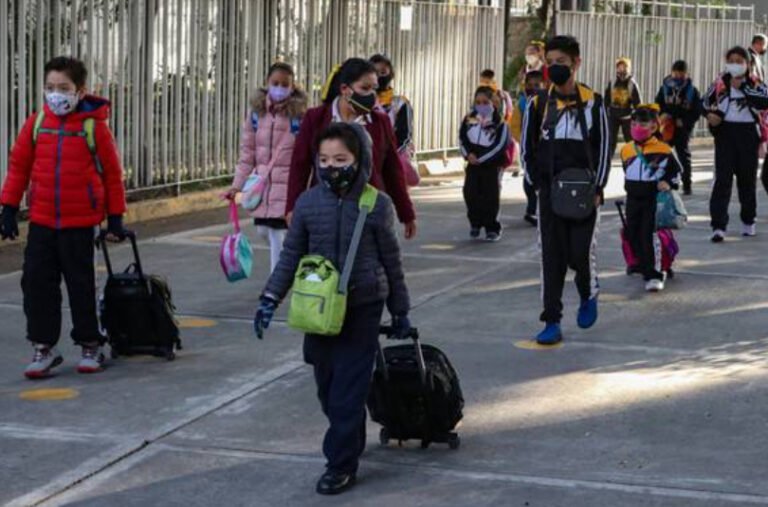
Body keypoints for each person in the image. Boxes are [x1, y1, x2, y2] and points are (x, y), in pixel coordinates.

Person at [254, 123, 411, 495]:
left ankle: (340, 464)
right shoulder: (308, 204)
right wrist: (269, 298)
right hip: (318, 310)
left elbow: (392, 262)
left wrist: (400, 310)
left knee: (347, 392)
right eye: (323, 160)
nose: (331, 167)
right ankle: (349, 438)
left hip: (362, 307)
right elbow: (291, 256)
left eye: (341, 159)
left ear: (360, 160)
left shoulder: (378, 205)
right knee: (328, 389)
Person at [0, 56, 127, 378]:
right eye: (50, 87)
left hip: (79, 224)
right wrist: (9, 208)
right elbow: (18, 167)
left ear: (80, 91)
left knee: (80, 285)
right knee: (37, 284)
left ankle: (90, 344)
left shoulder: (93, 127)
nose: (56, 94)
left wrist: (115, 218)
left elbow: (112, 174)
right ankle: (43, 347)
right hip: (42, 222)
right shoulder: (37, 123)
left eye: (64, 88)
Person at [521, 35, 610, 345]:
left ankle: (588, 291)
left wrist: (599, 186)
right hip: (549, 190)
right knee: (552, 257)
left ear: (577, 63)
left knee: (580, 253)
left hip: (585, 190)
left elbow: (604, 147)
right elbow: (527, 147)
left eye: (562, 62)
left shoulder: (594, 102)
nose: (555, 68)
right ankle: (552, 320)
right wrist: (534, 183)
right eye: (551, 63)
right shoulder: (539, 103)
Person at [286, 58, 417, 239]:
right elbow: (299, 166)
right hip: (324, 212)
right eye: (365, 88)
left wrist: (406, 213)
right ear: (345, 89)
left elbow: (392, 170)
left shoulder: (380, 123)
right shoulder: (316, 118)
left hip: (368, 212)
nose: (371, 94)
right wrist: (292, 207)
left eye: (374, 89)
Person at [224, 62, 308, 272]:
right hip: (262, 186)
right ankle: (292, 259)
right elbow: (247, 155)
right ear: (267, 83)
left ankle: (275, 284)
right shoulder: (255, 115)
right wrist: (237, 186)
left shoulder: (300, 116)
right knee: (263, 230)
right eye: (275, 83)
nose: (279, 88)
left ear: (293, 86)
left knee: (277, 234)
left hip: (288, 185)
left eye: (285, 84)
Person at [704, 46, 768, 242]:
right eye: (731, 60)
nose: (735, 64)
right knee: (722, 180)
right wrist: (710, 116)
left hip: (748, 134)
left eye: (739, 61)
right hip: (726, 134)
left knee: (747, 181)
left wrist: (744, 88)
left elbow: (764, 101)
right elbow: (703, 102)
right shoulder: (720, 82)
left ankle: (748, 221)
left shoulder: (755, 83)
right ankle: (718, 225)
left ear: (747, 64)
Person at [619, 104, 681, 292]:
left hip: (652, 199)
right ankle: (641, 264)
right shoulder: (626, 149)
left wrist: (667, 182)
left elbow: (677, 172)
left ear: (654, 126)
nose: (638, 126)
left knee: (650, 234)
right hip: (632, 198)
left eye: (643, 123)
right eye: (635, 122)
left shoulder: (664, 150)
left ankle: (655, 273)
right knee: (634, 233)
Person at [459, 86, 510, 242]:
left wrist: (482, 158)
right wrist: (468, 155)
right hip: (473, 163)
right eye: (478, 102)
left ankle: (492, 227)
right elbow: (462, 139)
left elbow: (500, 145)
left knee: (490, 196)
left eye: (485, 102)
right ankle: (475, 222)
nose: (481, 105)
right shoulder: (469, 119)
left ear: (493, 102)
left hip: (491, 165)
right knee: (470, 192)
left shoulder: (499, 122)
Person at [655, 60, 702, 195]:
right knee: (661, 155)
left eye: (681, 74)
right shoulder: (664, 88)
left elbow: (697, 111)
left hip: (682, 128)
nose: (678, 76)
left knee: (683, 156)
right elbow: (657, 104)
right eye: (675, 73)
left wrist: (685, 122)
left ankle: (687, 184)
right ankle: (662, 182)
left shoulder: (692, 91)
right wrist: (661, 115)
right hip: (666, 127)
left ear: (686, 74)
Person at [509, 70, 544, 226]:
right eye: (529, 85)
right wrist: (522, 139)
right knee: (529, 180)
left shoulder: (547, 101)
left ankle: (541, 210)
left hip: (546, 147)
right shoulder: (522, 103)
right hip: (530, 148)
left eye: (537, 85)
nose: (533, 88)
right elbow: (514, 125)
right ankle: (531, 210)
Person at [370, 54, 414, 163]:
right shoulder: (361, 101)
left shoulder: (400, 103)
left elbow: (404, 136)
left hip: (393, 160)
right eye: (374, 72)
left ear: (391, 74)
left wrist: (390, 158)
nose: (379, 76)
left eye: (383, 72)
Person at [606, 57, 642, 157]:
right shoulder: (612, 82)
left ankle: (633, 162)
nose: (621, 70)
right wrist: (605, 113)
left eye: (624, 67)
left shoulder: (632, 84)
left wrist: (637, 118)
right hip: (613, 116)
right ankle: (607, 162)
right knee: (610, 141)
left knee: (630, 142)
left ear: (628, 69)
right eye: (619, 67)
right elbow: (607, 99)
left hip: (627, 117)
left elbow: (638, 103)